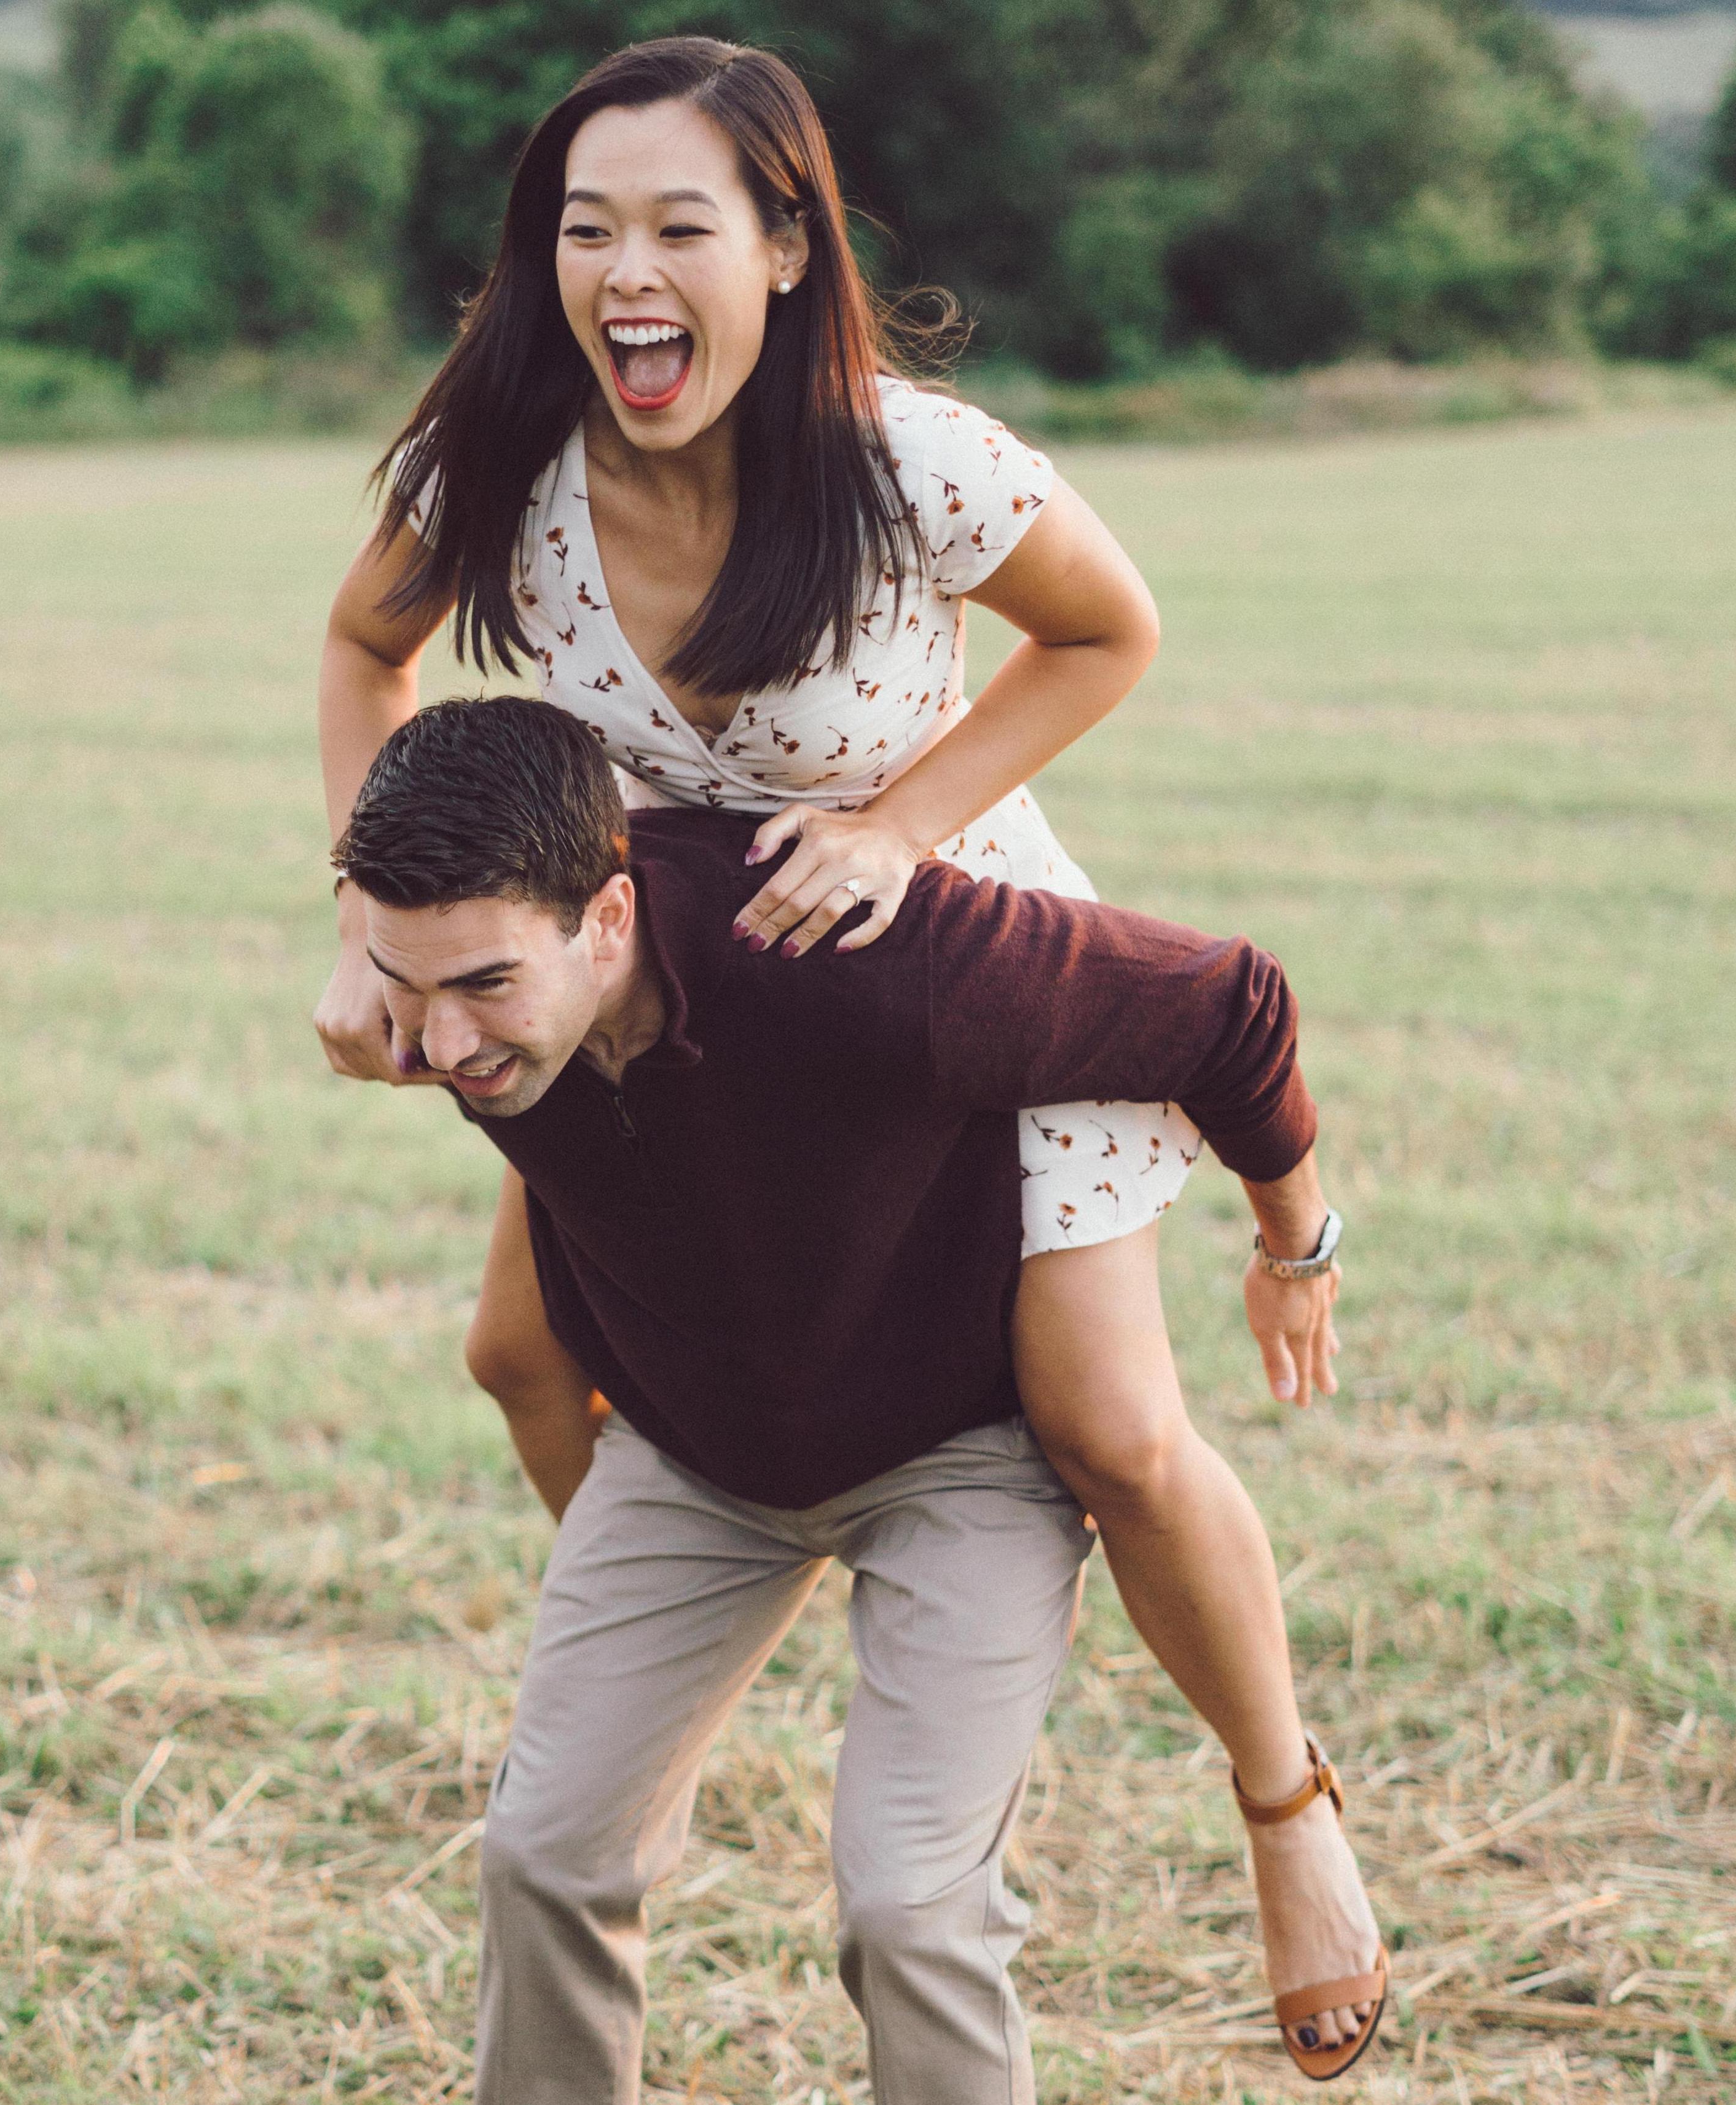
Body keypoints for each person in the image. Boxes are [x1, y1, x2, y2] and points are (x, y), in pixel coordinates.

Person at [312, 33, 1381, 2063]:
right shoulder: (504, 460)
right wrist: (365, 929)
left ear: (786, 248)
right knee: (521, 1351)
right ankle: (685, 1653)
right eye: (586, 229)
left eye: (680, 228)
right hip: (647, 962)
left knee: (1104, 1425)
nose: (628, 272)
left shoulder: (905, 460)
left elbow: (1108, 629)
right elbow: (363, 649)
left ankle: (1283, 1799)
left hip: (927, 945)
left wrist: (898, 821)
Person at [334, 696, 1388, 2098]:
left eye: (483, 985)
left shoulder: (863, 959)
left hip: (958, 1451)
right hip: (687, 1454)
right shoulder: (423, 998)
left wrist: (1295, 1247)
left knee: (908, 1907)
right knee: (542, 1852)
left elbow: (1226, 1005)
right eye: (405, 984)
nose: (443, 1045)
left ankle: (1288, 1801)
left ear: (608, 916)